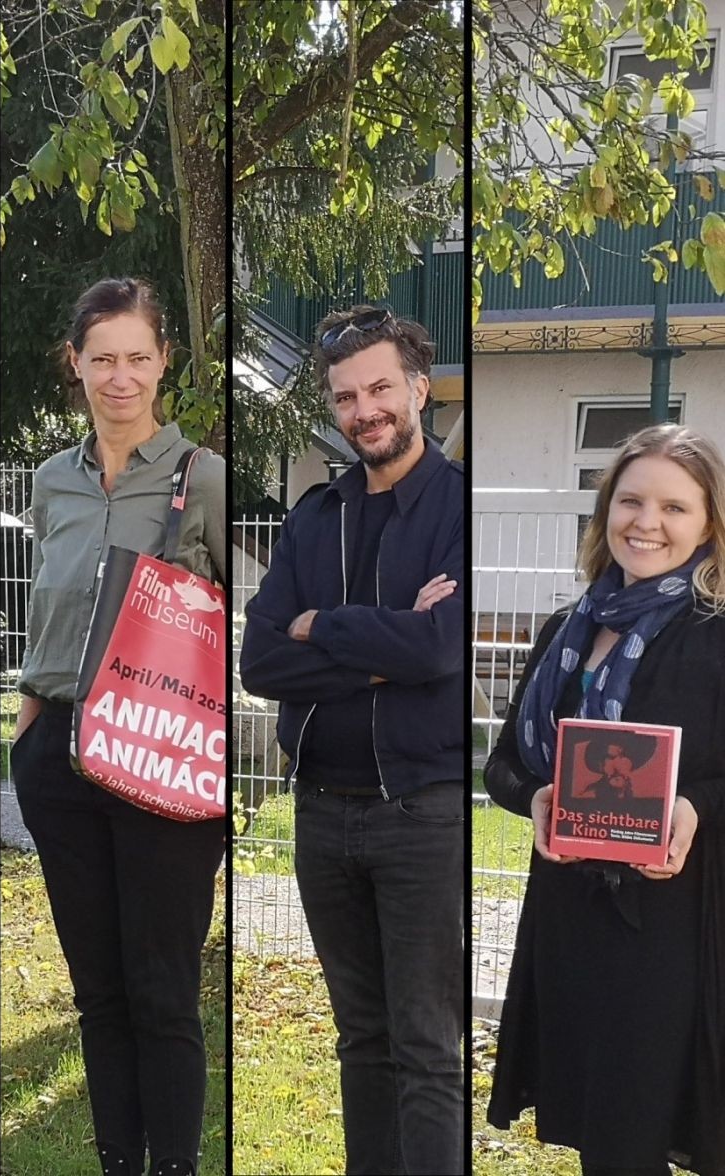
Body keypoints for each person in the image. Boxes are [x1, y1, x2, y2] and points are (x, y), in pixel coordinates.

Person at [240, 306, 464, 1176]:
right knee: (360, 1040)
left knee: (428, 1049)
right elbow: (261, 659)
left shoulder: (455, 504)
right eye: (345, 396)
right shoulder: (314, 515)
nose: (364, 409)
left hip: (419, 813)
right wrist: (379, 646)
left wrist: (319, 629)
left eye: (378, 388)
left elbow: (439, 649)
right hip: (322, 814)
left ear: (416, 388)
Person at [10, 277, 227, 1176]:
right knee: (99, 991)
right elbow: (50, 604)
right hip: (57, 753)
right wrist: (26, 716)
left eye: (138, 357)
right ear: (77, 364)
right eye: (103, 358)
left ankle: (173, 1162)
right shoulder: (50, 480)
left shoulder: (201, 476)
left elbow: (232, 614)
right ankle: (118, 1162)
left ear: (164, 361)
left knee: (163, 988)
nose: (121, 376)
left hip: (160, 756)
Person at [485, 424, 725, 1176]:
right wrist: (538, 800)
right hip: (571, 918)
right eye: (630, 501)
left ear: (711, 522)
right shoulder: (566, 630)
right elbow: (501, 766)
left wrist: (696, 809)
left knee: (636, 1132)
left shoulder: (714, 635)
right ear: (605, 511)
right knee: (602, 1136)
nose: (646, 523)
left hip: (674, 926)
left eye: (675, 508)